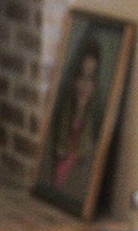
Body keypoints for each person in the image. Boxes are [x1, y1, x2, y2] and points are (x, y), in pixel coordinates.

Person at [45, 36, 104, 201]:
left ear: (96, 84)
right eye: (81, 76)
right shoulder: (59, 123)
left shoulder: (93, 136)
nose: (84, 84)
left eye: (90, 78)